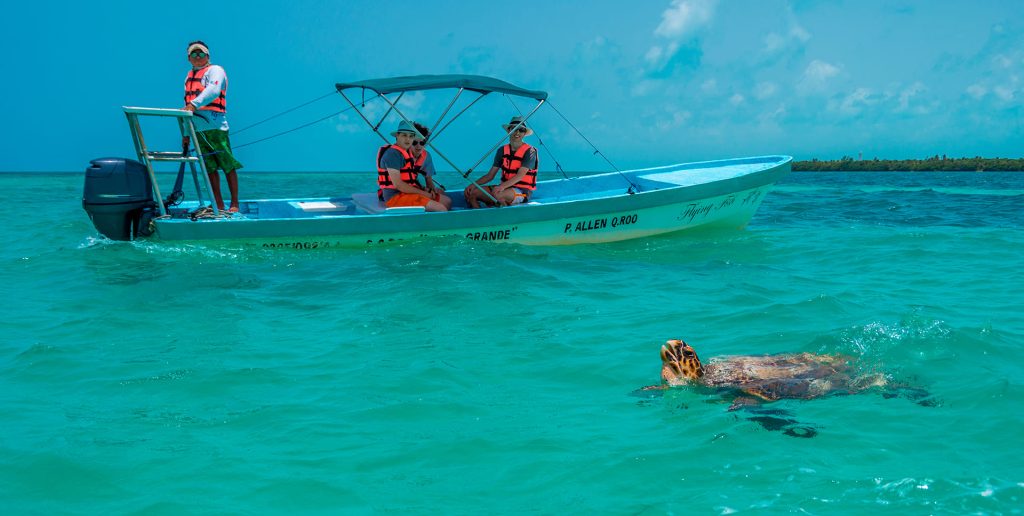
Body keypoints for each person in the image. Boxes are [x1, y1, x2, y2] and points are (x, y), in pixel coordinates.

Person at [183, 40, 243, 213]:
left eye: (201, 53)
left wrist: (194, 104)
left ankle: (234, 203)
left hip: (216, 126)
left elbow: (213, 91)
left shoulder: (215, 70)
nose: (197, 57)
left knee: (227, 164)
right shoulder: (189, 76)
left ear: (207, 56)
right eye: (194, 54)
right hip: (197, 129)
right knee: (208, 167)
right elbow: (186, 106)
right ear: (189, 58)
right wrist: (186, 134)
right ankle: (218, 203)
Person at [463, 116, 539, 209]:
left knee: (498, 195)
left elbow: (520, 175)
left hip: (522, 192)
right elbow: (490, 176)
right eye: (514, 128)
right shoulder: (502, 150)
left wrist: (501, 187)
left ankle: (502, 217)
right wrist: (473, 185)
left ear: (524, 134)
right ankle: (480, 217)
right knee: (472, 193)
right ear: (509, 131)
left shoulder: (530, 151)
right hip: (504, 188)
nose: (517, 132)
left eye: (521, 130)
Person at [376, 120, 449, 212]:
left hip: (408, 192)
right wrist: (425, 194)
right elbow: (398, 185)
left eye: (411, 136)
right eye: (404, 135)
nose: (408, 139)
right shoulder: (393, 154)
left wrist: (426, 190)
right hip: (395, 196)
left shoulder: (407, 154)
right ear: (397, 136)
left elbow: (416, 181)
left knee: (447, 202)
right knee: (440, 208)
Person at [409, 122, 453, 210]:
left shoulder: (426, 156)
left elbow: (429, 181)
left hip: (416, 187)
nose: (418, 146)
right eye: (414, 143)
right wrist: (425, 192)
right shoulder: (400, 156)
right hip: (406, 190)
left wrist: (432, 192)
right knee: (446, 203)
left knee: (443, 195)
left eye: (422, 143)